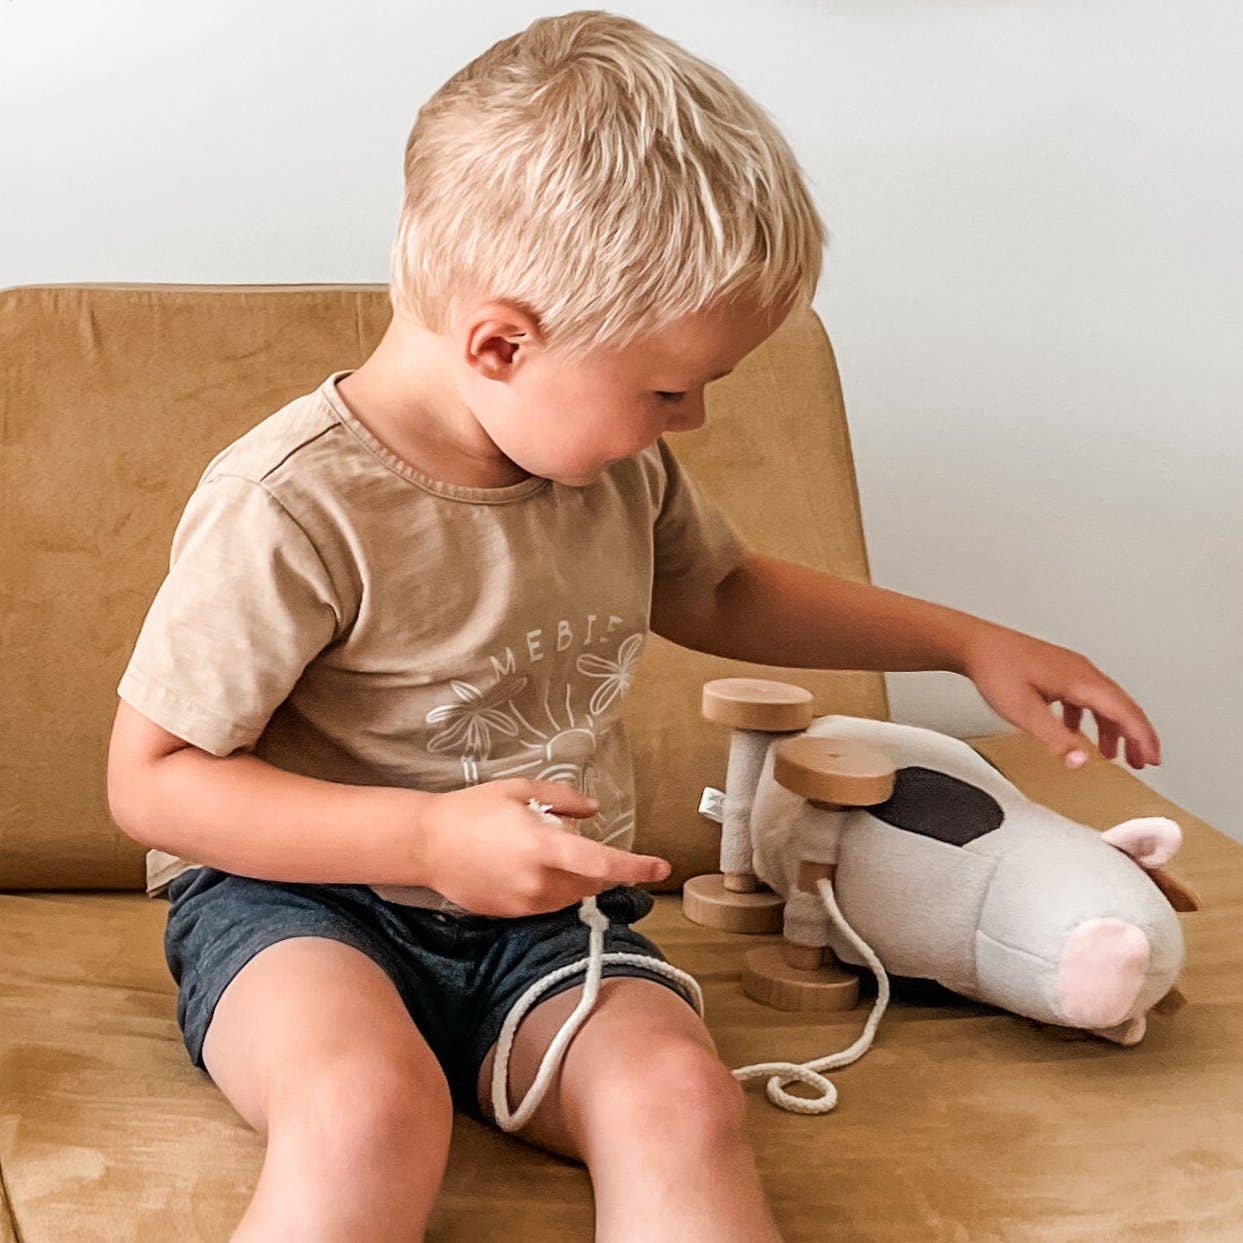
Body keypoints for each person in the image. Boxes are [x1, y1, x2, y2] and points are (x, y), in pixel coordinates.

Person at [105, 11, 1162, 1242]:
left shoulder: (612, 474)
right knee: (366, 1108)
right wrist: (423, 836)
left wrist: (967, 640)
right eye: (669, 387)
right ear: (501, 342)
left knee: (677, 1098)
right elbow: (154, 779)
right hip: (300, 905)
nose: (695, 418)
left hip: (551, 922)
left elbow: (715, 591)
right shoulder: (289, 504)